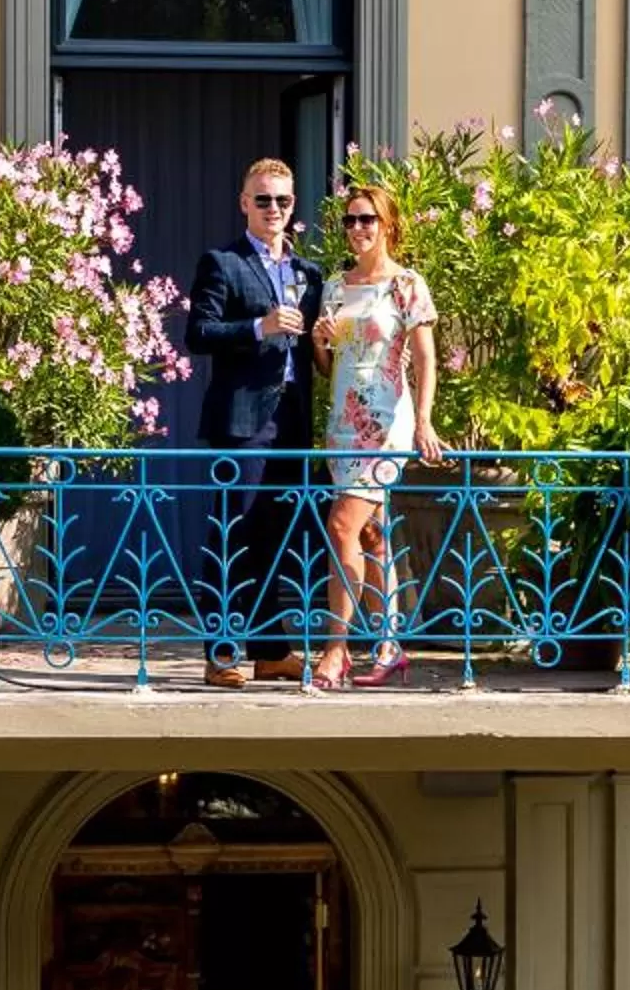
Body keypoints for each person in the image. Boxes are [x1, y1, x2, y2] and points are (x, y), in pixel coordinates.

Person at [185, 156, 325, 688]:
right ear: (244, 203)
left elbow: (313, 347)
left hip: (292, 420)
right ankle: (221, 654)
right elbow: (198, 334)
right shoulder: (222, 262)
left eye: (283, 201)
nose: (273, 209)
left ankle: (271, 652)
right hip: (242, 422)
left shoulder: (308, 273)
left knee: (275, 540)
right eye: (263, 199)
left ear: (293, 207)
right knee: (232, 536)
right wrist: (257, 327)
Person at [307, 184, 444, 691]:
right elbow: (328, 367)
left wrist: (425, 420)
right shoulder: (335, 287)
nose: (358, 229)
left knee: (342, 525)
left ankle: (335, 649)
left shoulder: (407, 285)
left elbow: (426, 358)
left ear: (388, 225)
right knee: (370, 535)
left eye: (367, 219)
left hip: (385, 424)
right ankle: (389, 646)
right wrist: (320, 343)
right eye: (349, 221)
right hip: (342, 423)